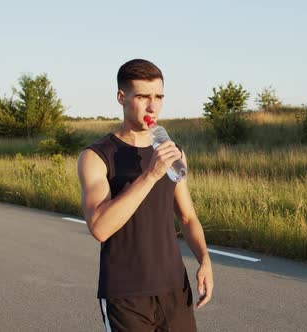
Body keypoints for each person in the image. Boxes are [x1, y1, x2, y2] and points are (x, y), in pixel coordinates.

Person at [77, 59, 213, 331]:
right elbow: (100, 228)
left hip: (175, 287)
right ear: (121, 97)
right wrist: (150, 174)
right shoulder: (96, 156)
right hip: (125, 294)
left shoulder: (174, 152)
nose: (153, 107)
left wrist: (205, 261)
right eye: (142, 97)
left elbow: (187, 217)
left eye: (158, 97)